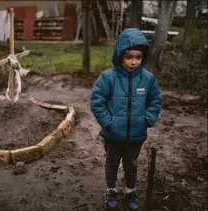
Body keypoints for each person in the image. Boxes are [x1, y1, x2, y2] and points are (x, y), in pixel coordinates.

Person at [90, 28, 162, 210]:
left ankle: (130, 191)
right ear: (120, 55)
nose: (134, 62)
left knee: (131, 164)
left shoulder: (148, 79)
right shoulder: (108, 77)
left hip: (136, 135)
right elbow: (97, 101)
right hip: (113, 135)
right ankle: (111, 189)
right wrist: (108, 122)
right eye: (129, 57)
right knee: (112, 163)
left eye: (138, 57)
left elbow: (155, 100)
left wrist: (147, 119)